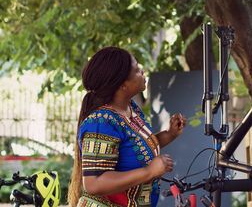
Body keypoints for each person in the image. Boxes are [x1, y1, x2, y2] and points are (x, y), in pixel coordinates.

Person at [68, 46, 187, 207]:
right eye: (137, 70)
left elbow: (137, 148)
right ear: (123, 84)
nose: (142, 71)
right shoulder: (101, 123)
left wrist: (170, 133)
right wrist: (149, 172)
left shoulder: (131, 109)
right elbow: (93, 183)